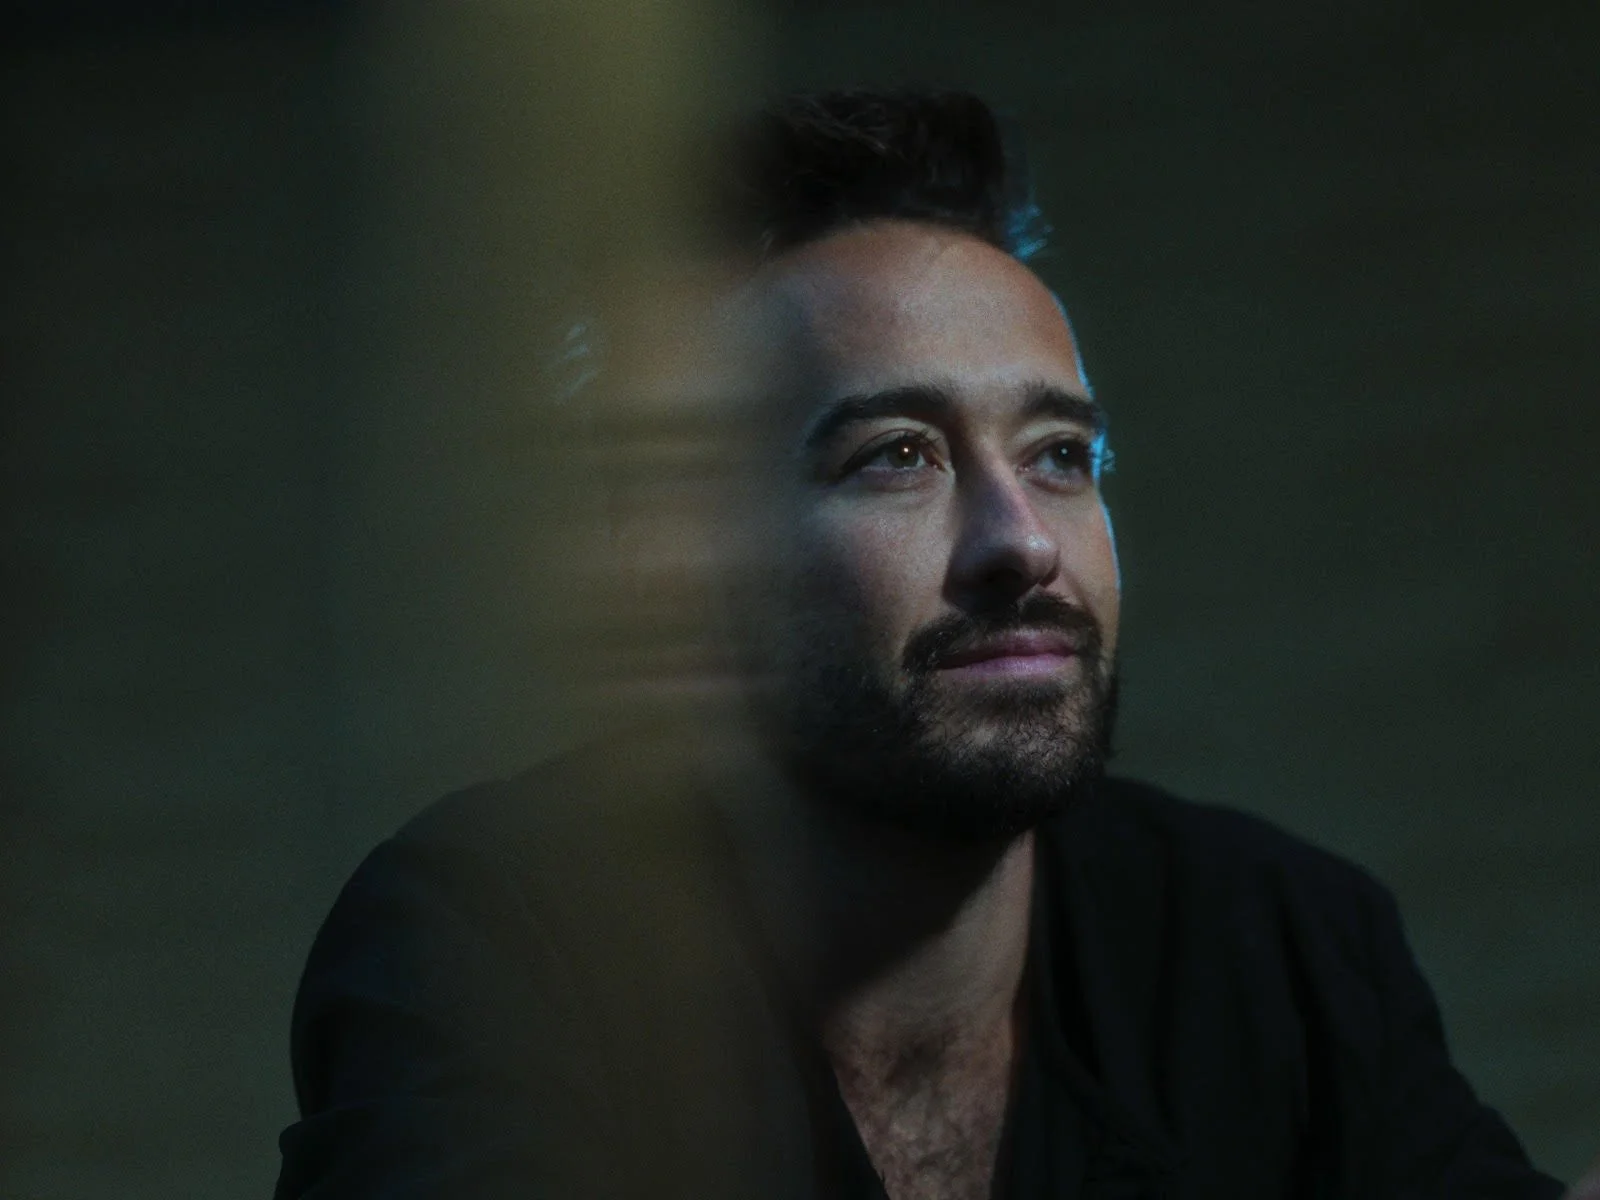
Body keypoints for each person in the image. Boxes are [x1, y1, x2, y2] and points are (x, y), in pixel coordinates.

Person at [274, 91, 1591, 1199]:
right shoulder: (488, 940)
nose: (1022, 544)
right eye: (896, 456)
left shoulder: (1285, 947)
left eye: (1061, 456)